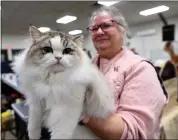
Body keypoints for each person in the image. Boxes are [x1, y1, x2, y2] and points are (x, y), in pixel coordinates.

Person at [82, 6, 167, 139]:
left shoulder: (140, 68)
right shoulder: (87, 67)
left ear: (122, 31)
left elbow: (133, 132)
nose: (99, 32)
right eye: (94, 28)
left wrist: (80, 111)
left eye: (106, 25)